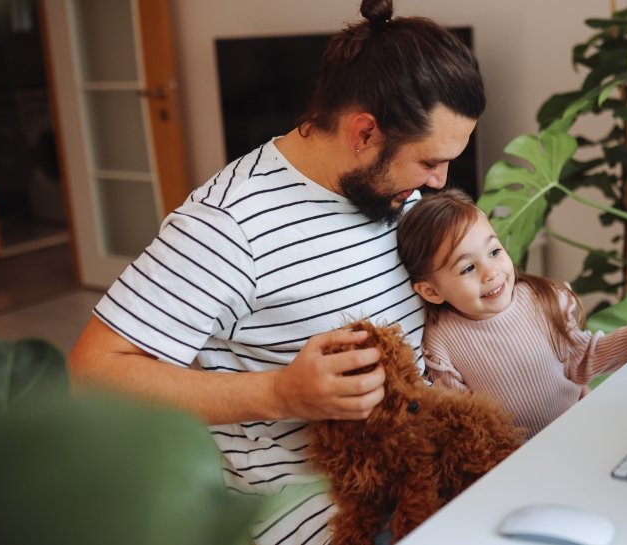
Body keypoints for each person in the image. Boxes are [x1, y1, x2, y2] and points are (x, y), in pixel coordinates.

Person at [66, 1, 484, 543]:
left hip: (423, 469)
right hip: (329, 513)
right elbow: (92, 377)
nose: (437, 182)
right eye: (429, 161)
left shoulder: (390, 191)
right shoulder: (228, 225)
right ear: (364, 134)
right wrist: (281, 394)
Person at [396, 189, 627, 438]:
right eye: (468, 268)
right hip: (515, 462)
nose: (491, 272)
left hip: (580, 428)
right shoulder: (442, 343)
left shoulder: (541, 300)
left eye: (494, 252)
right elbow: (465, 422)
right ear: (431, 292)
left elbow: (584, 358)